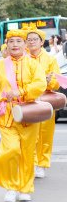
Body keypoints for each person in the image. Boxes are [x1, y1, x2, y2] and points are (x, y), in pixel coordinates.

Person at [0, 29, 46, 202]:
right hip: (6, 115)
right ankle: (11, 187)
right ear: (6, 45)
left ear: (24, 45)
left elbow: (41, 83)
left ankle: (25, 188)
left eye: (18, 41)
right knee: (10, 151)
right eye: (11, 41)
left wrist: (22, 91)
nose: (15, 44)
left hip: (29, 113)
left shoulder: (33, 64)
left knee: (27, 153)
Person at [24, 28, 61, 179]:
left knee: (45, 134)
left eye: (34, 39)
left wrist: (48, 81)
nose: (31, 42)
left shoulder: (50, 59)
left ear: (41, 42)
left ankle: (42, 163)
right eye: (29, 39)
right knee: (28, 134)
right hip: (27, 100)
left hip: (45, 101)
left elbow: (57, 82)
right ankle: (30, 162)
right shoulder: (23, 58)